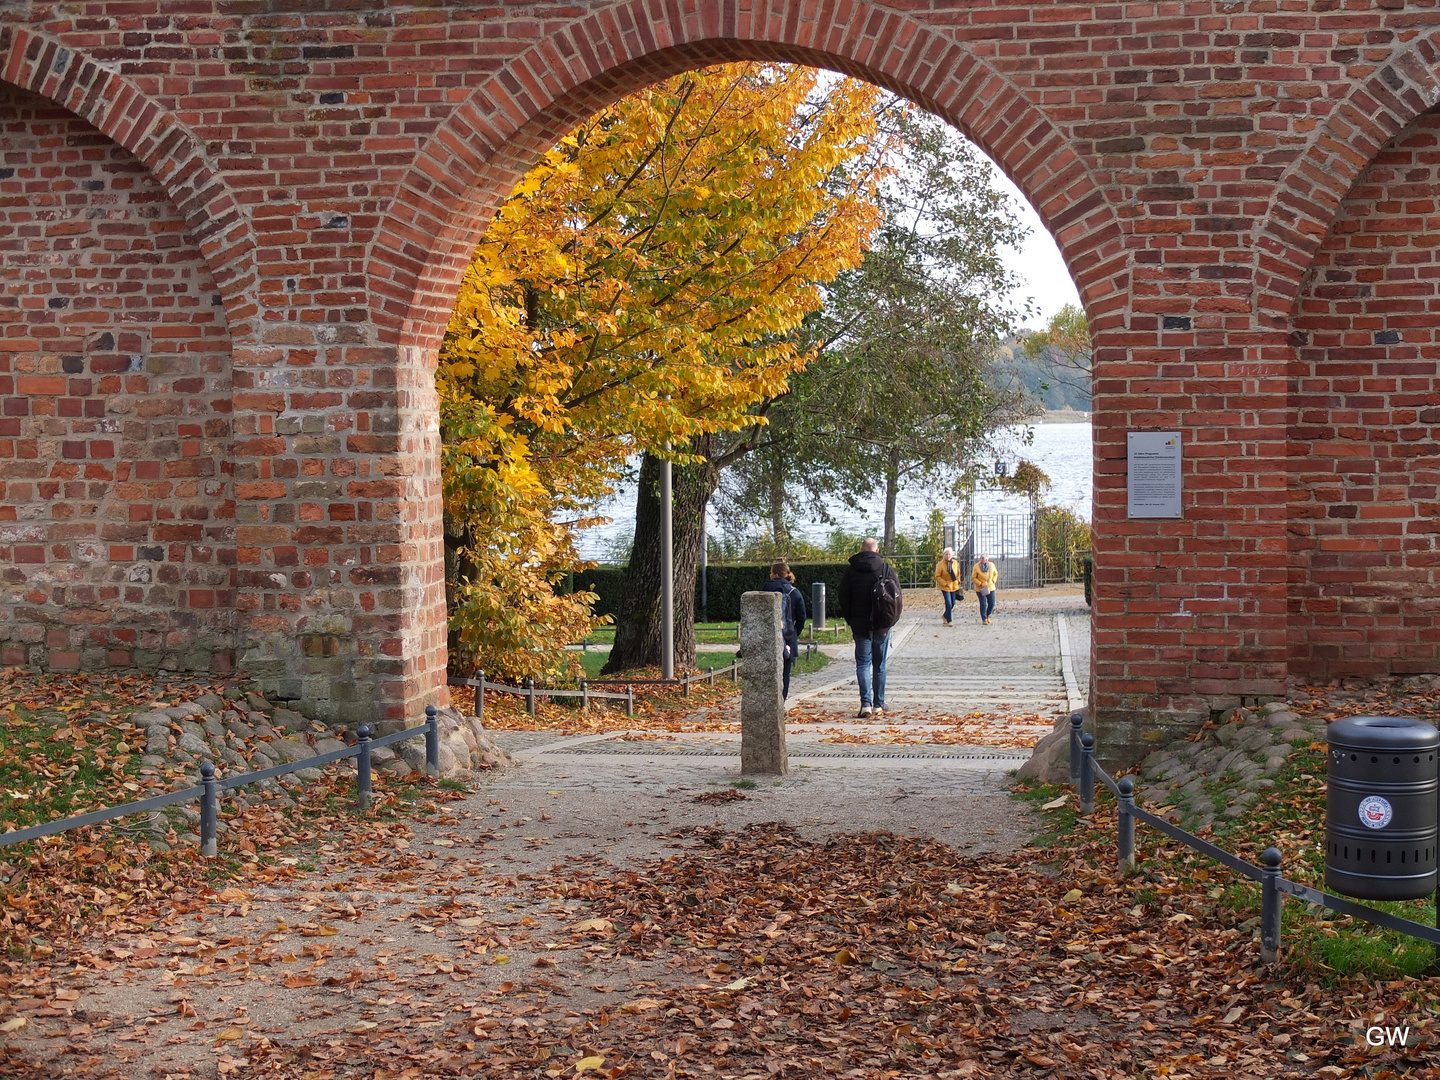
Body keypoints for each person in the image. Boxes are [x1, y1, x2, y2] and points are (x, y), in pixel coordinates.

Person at [838, 537, 902, 718]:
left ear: (861, 549)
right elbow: (897, 596)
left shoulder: (851, 571)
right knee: (880, 665)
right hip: (882, 625)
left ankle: (865, 704)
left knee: (863, 664)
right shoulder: (886, 568)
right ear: (876, 549)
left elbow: (843, 597)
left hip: (860, 625)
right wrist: (891, 621)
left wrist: (851, 619)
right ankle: (878, 705)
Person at [761, 560, 807, 699]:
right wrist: (794, 634)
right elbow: (801, 617)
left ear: (774, 574)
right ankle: (782, 700)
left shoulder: (766, 589)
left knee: (767, 671)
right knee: (785, 671)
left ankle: (768, 700)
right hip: (787, 636)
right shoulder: (795, 592)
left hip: (768, 636)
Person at [933, 546, 962, 626]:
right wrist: (944, 583)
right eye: (946, 554)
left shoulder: (955, 563)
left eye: (949, 554)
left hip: (954, 586)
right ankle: (949, 620)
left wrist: (958, 581)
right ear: (944, 555)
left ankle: (945, 615)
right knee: (948, 603)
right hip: (945, 586)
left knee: (953, 603)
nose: (948, 556)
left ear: (952, 555)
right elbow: (937, 576)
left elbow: (958, 573)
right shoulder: (940, 564)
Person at [972, 552, 998, 625]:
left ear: (987, 559)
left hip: (990, 587)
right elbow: (974, 578)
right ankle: (984, 618)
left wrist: (993, 580)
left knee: (992, 603)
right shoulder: (976, 567)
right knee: (983, 603)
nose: (981, 559)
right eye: (980, 558)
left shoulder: (991, 565)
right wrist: (980, 584)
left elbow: (995, 574)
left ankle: (988, 614)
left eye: (983, 558)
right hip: (980, 588)